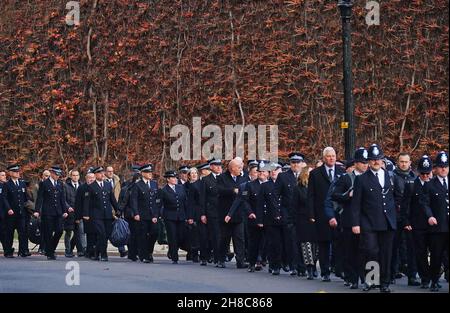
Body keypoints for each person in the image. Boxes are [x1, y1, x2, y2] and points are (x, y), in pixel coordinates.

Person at [351, 144, 397, 293]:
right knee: (371, 251)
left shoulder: (391, 176)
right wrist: (355, 223)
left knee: (386, 253)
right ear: (368, 161)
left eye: (378, 159)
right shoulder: (362, 179)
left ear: (382, 160)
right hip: (368, 221)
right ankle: (371, 280)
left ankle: (384, 283)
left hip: (388, 221)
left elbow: (397, 198)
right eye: (372, 159)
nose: (376, 162)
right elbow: (356, 204)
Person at [331, 147, 369, 289]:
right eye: (362, 162)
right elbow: (335, 195)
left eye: (366, 162)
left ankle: (370, 279)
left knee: (368, 250)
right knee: (351, 251)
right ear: (356, 163)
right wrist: (348, 196)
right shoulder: (347, 178)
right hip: (349, 219)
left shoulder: (372, 177)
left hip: (367, 219)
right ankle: (353, 278)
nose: (365, 164)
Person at [308, 147, 344, 281]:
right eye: (329, 156)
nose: (331, 158)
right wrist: (311, 214)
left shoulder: (341, 172)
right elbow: (310, 195)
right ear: (324, 158)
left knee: (339, 243)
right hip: (321, 213)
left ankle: (338, 268)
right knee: (324, 244)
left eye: (333, 156)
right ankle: (325, 271)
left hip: (338, 213)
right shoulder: (316, 173)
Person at [401, 155, 433, 289]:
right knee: (419, 252)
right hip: (417, 223)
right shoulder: (412, 185)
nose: (425, 176)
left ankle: (434, 277)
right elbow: (405, 205)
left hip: (433, 225)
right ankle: (424, 278)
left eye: (428, 173)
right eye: (423, 173)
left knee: (436, 252)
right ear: (418, 172)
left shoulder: (435, 184)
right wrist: (406, 221)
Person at [274, 152, 307, 275]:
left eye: (298, 162)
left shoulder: (306, 176)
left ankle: (304, 266)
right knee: (291, 241)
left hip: (303, 213)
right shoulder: (283, 176)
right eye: (293, 162)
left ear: (302, 163)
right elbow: (276, 195)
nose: (295, 165)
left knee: (303, 241)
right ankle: (294, 266)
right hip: (288, 213)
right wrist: (278, 212)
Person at [420, 151, 449, 292]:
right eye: (441, 166)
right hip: (438, 227)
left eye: (446, 166)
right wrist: (429, 216)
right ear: (435, 168)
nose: (444, 169)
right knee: (436, 256)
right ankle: (434, 280)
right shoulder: (429, 185)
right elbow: (425, 203)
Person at [392, 152, 419, 286]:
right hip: (396, 216)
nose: (403, 164)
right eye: (401, 161)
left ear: (410, 163)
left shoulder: (415, 177)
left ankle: (412, 276)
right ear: (398, 162)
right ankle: (392, 273)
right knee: (393, 246)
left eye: (406, 161)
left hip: (410, 217)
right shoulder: (391, 176)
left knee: (411, 248)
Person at [83, 166, 120, 261]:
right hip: (96, 215)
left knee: (106, 235)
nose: (102, 174)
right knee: (101, 234)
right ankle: (103, 254)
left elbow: (112, 199)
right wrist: (86, 214)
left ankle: (96, 252)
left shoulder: (108, 185)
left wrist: (118, 210)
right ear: (95, 175)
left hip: (107, 214)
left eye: (103, 173)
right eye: (100, 173)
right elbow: (87, 202)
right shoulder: (91, 187)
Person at [216, 158, 248, 268]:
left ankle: (240, 261)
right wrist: (232, 190)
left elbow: (245, 192)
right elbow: (218, 190)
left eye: (241, 167)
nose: (241, 169)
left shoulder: (244, 177)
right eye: (238, 167)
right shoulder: (222, 178)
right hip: (225, 214)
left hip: (239, 214)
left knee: (239, 238)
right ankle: (220, 259)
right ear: (231, 168)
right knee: (224, 238)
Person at [35, 166, 71, 260]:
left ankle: (50, 249)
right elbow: (40, 198)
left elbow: (62, 199)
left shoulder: (59, 184)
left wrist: (64, 211)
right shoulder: (44, 183)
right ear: (51, 173)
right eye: (56, 174)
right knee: (48, 232)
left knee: (59, 231)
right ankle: (50, 253)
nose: (57, 176)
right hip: (48, 212)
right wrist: (37, 210)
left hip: (58, 212)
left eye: (59, 175)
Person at [159, 170, 192, 264]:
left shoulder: (180, 188)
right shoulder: (164, 190)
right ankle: (174, 256)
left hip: (181, 216)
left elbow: (185, 202)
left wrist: (188, 215)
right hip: (170, 216)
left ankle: (173, 250)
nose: (175, 179)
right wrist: (158, 215)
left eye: (176, 177)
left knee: (181, 236)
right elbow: (160, 204)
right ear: (168, 179)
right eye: (173, 178)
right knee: (172, 236)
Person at [130, 164, 159, 263]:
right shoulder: (137, 185)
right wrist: (136, 213)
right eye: (147, 172)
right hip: (142, 214)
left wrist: (156, 214)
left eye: (150, 172)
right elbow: (134, 200)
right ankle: (144, 255)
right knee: (142, 235)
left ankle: (149, 251)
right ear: (142, 173)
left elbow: (156, 200)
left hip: (152, 214)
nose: (150, 174)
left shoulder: (154, 184)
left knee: (154, 233)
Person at [3, 164, 32, 258]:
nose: (18, 173)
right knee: (9, 233)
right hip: (11, 213)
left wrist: (30, 209)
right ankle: (8, 251)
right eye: (15, 172)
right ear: (10, 173)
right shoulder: (6, 184)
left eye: (18, 171)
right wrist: (9, 209)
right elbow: (4, 198)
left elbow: (25, 197)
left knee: (23, 232)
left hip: (21, 213)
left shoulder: (22, 183)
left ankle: (22, 251)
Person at [295, 166, 318, 280]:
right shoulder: (299, 188)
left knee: (315, 245)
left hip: (316, 219)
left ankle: (314, 265)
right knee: (306, 245)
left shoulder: (316, 187)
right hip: (303, 220)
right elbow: (295, 205)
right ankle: (309, 267)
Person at [199, 158, 223, 265]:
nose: (219, 167)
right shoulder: (206, 180)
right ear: (211, 167)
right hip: (212, 211)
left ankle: (221, 256)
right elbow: (202, 198)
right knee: (215, 235)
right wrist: (203, 213)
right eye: (216, 165)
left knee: (223, 236)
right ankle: (217, 258)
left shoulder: (225, 178)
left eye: (220, 165)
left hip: (224, 211)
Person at [63, 170, 81, 258]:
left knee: (78, 232)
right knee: (68, 232)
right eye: (73, 175)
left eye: (77, 175)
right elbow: (63, 199)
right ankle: (67, 250)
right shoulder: (66, 186)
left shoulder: (81, 186)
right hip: (70, 213)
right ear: (70, 176)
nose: (75, 177)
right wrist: (68, 207)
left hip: (78, 213)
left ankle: (77, 249)